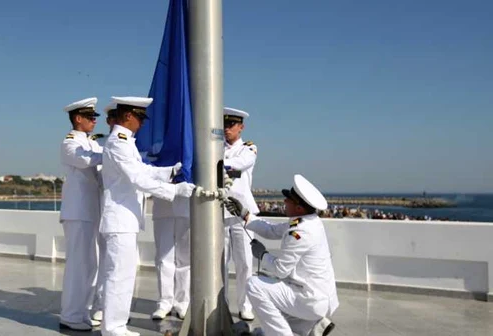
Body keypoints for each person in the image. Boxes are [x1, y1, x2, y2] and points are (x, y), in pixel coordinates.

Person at [100, 96, 195, 336]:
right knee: (118, 276)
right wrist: (174, 190)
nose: (142, 123)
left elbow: (143, 170)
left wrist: (168, 172)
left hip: (126, 220)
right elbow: (137, 178)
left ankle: (117, 326)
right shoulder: (118, 142)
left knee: (125, 274)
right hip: (119, 219)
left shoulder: (126, 142)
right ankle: (112, 328)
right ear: (128, 116)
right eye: (140, 117)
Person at [223, 174, 339, 336]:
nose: (284, 202)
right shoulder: (308, 221)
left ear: (299, 207)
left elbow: (280, 270)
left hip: (310, 299)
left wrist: (262, 255)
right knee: (270, 315)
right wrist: (245, 215)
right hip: (318, 296)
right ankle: (311, 327)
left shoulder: (300, 232)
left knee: (255, 285)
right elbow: (273, 230)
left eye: (288, 200)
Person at [59, 97, 105, 331]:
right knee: (78, 265)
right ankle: (70, 315)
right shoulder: (70, 143)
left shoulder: (91, 142)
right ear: (78, 119)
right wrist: (114, 154)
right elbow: (87, 160)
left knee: (89, 265)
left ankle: (80, 312)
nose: (94, 121)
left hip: (90, 211)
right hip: (78, 212)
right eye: (90, 117)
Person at [222, 107, 259, 321]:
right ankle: (222, 303)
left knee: (245, 262)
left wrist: (218, 165)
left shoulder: (249, 148)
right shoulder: (215, 147)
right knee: (220, 263)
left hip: (243, 212)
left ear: (241, 127)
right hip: (221, 212)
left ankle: (245, 305)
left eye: (231, 125)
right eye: (225, 125)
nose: (227, 129)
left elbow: (240, 164)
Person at [90, 101, 118, 323]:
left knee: (118, 264)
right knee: (105, 260)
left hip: (123, 210)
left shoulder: (134, 144)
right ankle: (101, 304)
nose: (114, 122)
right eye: (112, 118)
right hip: (103, 206)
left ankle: (115, 309)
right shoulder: (99, 142)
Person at [150, 196, 190, 320]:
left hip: (186, 208)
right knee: (163, 259)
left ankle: (182, 302)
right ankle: (164, 303)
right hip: (163, 208)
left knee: (185, 259)